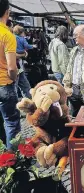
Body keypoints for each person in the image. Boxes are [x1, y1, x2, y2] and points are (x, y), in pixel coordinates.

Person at [0, 0, 21, 149]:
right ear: (7, 12)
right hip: (5, 84)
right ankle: (12, 161)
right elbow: (12, 67)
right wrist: (14, 78)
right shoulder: (7, 35)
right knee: (12, 123)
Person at [63, 25, 84, 117]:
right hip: (74, 88)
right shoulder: (74, 50)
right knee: (75, 114)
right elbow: (69, 68)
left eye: (76, 34)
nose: (73, 37)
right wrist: (67, 85)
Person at [13, 25, 34, 98]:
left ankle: (28, 103)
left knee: (25, 85)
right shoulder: (21, 39)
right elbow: (27, 46)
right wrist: (24, 53)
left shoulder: (12, 37)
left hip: (19, 67)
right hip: (15, 67)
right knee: (16, 87)